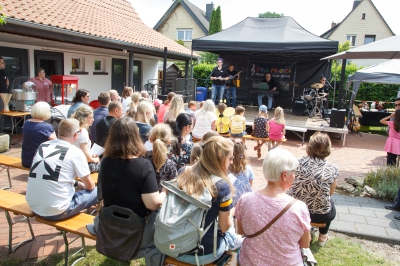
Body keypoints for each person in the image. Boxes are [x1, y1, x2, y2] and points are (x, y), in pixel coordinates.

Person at [95, 117, 167, 265]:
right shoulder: (143, 165)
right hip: (136, 231)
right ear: (135, 136)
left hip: (109, 226)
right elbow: (153, 204)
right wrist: (165, 191)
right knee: (162, 237)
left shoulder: (105, 162)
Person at [236, 147, 311, 265]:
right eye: (294, 171)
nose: (295, 175)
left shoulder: (245, 200)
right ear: (284, 174)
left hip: (250, 262)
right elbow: (305, 244)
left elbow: (240, 231)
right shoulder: (299, 208)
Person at [173, 136, 235, 265]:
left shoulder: (183, 171)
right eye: (230, 158)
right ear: (222, 159)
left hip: (173, 246)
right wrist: (232, 211)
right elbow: (224, 227)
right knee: (232, 237)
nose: (232, 162)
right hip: (202, 254)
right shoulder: (222, 186)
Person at [26, 118, 97, 220]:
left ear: (59, 131)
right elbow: (90, 186)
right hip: (57, 210)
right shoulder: (75, 152)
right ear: (76, 135)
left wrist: (76, 183)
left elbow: (54, 174)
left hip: (34, 205)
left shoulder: (43, 146)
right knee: (98, 190)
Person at [288, 132, 338, 247]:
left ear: (309, 147)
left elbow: (289, 184)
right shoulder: (332, 169)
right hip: (319, 214)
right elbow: (330, 193)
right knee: (330, 202)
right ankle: (322, 237)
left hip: (296, 210)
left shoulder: (296, 163)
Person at [21, 102, 57, 168]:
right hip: (40, 162)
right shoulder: (46, 127)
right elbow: (56, 143)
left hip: (26, 160)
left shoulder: (26, 123)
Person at [144, 124, 177, 190]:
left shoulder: (144, 158)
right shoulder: (171, 163)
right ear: (169, 141)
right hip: (163, 198)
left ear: (150, 139)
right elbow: (174, 185)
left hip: (144, 197)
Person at [72, 105, 100, 173]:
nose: (93, 119)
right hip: (79, 166)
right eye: (91, 118)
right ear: (83, 118)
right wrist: (97, 159)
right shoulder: (83, 132)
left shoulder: (73, 128)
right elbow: (86, 157)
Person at [229, 139, 254, 206]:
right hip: (245, 203)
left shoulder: (226, 169)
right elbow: (250, 186)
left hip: (230, 204)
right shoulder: (248, 169)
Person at [0, 56, 10, 132]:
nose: (4, 64)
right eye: (3, 62)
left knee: (3, 114)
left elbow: (6, 80)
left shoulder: (2, 72)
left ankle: (1, 131)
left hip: (5, 96)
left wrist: (7, 83)